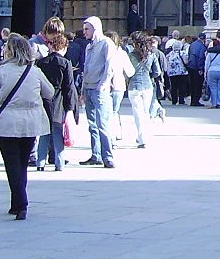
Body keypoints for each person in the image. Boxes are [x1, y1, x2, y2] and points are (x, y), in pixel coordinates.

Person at [0, 33, 55, 220]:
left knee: (12, 164)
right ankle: (17, 203)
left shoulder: (0, 71)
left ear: (9, 51)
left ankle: (20, 203)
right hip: (31, 124)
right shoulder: (34, 71)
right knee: (22, 164)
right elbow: (50, 92)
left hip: (7, 124)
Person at [79, 17, 119, 168]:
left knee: (103, 124)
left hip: (99, 89)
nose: (84, 32)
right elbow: (86, 68)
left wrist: (103, 84)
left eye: (87, 29)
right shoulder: (89, 46)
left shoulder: (106, 43)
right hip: (89, 88)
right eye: (84, 29)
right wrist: (82, 91)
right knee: (92, 124)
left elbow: (110, 66)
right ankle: (95, 155)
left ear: (95, 28)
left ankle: (108, 156)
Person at [35, 30, 77, 171]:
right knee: (58, 133)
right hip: (59, 101)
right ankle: (59, 163)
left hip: (43, 100)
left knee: (44, 133)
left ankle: (40, 162)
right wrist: (70, 108)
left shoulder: (41, 62)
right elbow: (69, 87)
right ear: (64, 47)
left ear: (51, 46)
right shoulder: (65, 63)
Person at [126, 34, 164, 147]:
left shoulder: (130, 55)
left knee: (137, 112)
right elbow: (157, 72)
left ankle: (142, 138)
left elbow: (128, 71)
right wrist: (149, 75)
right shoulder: (151, 55)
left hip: (134, 86)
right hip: (148, 85)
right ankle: (145, 136)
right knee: (146, 111)